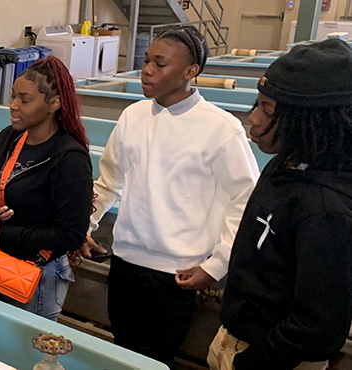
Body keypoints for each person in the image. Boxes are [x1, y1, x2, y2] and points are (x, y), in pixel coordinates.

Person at [81, 26, 260, 367]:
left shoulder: (220, 128)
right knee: (120, 353)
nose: (147, 70)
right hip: (126, 262)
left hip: (176, 274)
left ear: (190, 71)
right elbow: (109, 182)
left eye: (160, 64)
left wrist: (215, 265)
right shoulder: (133, 116)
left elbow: (244, 201)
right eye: (146, 60)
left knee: (154, 359)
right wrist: (84, 226)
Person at [209, 38, 352, 370]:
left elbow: (317, 327)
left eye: (268, 111)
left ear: (311, 121)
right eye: (257, 104)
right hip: (237, 339)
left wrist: (248, 363)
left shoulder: (326, 209)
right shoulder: (285, 164)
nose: (253, 119)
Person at [0, 57, 92, 320]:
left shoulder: (69, 157)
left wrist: (0, 230)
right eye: (13, 96)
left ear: (54, 103)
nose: (13, 105)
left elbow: (70, 234)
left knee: (26, 343)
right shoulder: (9, 137)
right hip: (0, 262)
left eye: (24, 100)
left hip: (39, 273)